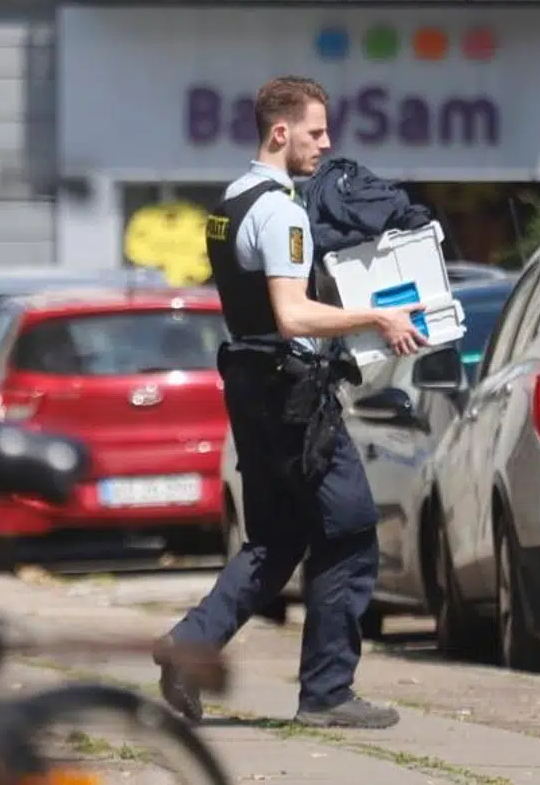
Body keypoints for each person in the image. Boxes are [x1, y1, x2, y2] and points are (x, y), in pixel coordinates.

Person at [154, 76, 427, 730]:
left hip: (251, 384)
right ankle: (328, 691)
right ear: (281, 132)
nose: (326, 144)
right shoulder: (282, 210)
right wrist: (376, 317)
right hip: (288, 393)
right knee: (352, 524)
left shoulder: (231, 201)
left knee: (275, 539)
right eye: (316, 132)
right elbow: (291, 313)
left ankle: (189, 645)